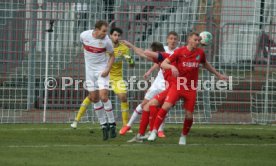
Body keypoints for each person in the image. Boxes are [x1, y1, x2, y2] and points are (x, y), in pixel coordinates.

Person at [147, 32, 228, 145]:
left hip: (190, 88)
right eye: (195, 40)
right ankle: (154, 131)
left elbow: (206, 64)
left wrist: (218, 75)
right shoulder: (179, 51)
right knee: (166, 106)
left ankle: (183, 136)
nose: (197, 42)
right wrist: (172, 66)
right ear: (189, 39)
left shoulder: (200, 53)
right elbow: (164, 64)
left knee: (189, 115)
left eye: (198, 40)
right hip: (178, 85)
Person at [71, 27, 134, 133]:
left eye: (118, 35)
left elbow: (131, 64)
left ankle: (125, 125)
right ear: (110, 36)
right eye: (114, 35)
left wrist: (130, 59)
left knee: (123, 97)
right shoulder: (104, 44)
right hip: (102, 74)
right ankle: (76, 120)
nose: (116, 37)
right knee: (92, 97)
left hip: (116, 77)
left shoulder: (124, 48)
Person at [119, 32, 179, 138]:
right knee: (146, 104)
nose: (173, 41)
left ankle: (156, 130)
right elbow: (144, 54)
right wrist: (132, 46)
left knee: (160, 107)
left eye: (175, 39)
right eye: (171, 38)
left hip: (171, 86)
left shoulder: (175, 53)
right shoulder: (162, 53)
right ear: (167, 40)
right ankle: (132, 126)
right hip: (159, 82)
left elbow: (146, 53)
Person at [71, 20, 116, 141]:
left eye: (106, 31)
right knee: (94, 98)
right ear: (96, 29)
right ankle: (103, 125)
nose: (105, 33)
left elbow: (112, 56)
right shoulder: (84, 35)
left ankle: (112, 123)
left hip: (102, 70)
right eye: (103, 31)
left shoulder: (107, 41)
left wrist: (107, 69)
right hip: (89, 71)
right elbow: (84, 46)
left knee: (104, 96)